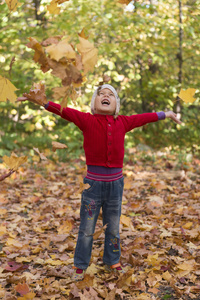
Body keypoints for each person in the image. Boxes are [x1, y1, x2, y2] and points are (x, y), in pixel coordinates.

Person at [17, 84, 181, 281]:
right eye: (101, 94)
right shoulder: (87, 120)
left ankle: (112, 260)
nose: (105, 96)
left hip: (115, 186)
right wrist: (42, 102)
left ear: (116, 105)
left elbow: (144, 117)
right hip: (93, 185)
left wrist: (166, 114)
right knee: (87, 227)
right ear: (94, 104)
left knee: (112, 226)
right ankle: (80, 264)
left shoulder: (123, 122)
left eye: (110, 95)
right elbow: (64, 111)